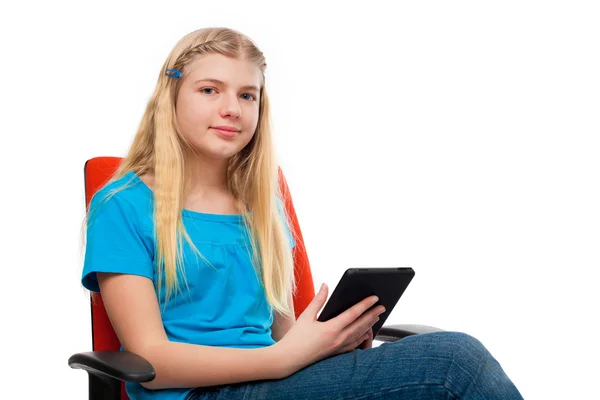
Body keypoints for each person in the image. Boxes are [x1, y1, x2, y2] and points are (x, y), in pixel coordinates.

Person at [81, 27, 524, 400]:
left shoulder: (260, 201)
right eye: (210, 90)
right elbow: (151, 358)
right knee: (454, 363)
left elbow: (276, 330)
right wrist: (282, 359)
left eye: (248, 95)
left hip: (275, 378)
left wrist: (327, 343)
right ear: (171, 96)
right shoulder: (122, 205)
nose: (232, 108)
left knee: (444, 363)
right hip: (199, 392)